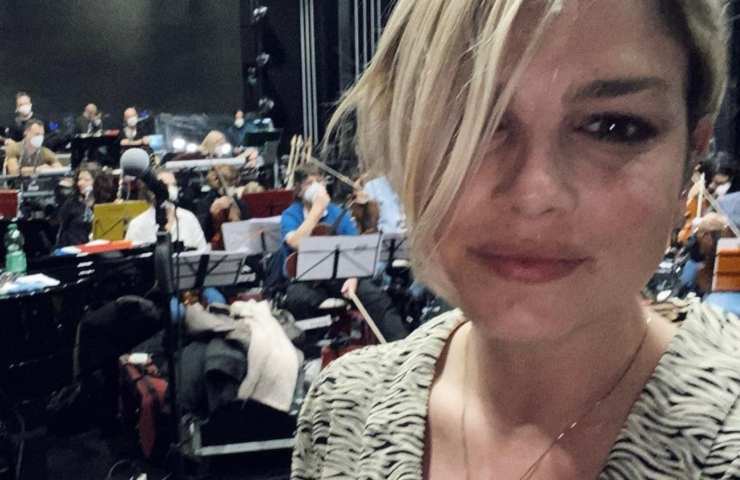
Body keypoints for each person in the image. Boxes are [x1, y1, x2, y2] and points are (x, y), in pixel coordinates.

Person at [292, 1, 740, 479]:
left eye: (613, 127)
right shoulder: (343, 411)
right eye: (469, 119)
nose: (533, 194)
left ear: (690, 157)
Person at [279, 165, 408, 341]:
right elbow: (295, 242)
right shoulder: (290, 215)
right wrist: (316, 211)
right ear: (299, 189)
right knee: (297, 300)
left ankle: (399, 343)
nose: (316, 187)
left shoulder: (337, 212)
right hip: (306, 281)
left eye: (319, 181)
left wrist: (353, 278)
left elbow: (357, 248)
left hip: (341, 277)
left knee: (376, 297)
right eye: (309, 183)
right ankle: (313, 347)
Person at [126, 170, 207, 251]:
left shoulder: (188, 218)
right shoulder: (138, 224)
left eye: (174, 185)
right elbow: (131, 255)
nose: (172, 188)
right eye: (166, 185)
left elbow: (203, 251)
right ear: (151, 191)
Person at [56, 166, 97, 246]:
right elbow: (62, 223)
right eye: (79, 179)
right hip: (75, 245)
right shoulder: (72, 203)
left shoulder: (102, 201)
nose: (80, 183)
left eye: (86, 180)